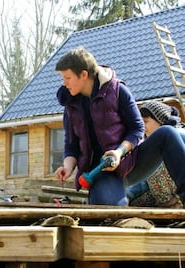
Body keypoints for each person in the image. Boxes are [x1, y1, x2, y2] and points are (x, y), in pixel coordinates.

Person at [54, 47, 185, 206]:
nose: (64, 83)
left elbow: (137, 128)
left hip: (131, 161)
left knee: (168, 133)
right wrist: (67, 167)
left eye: (67, 77)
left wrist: (118, 152)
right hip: (101, 171)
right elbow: (71, 145)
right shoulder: (70, 106)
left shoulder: (117, 90)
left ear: (83, 75)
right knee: (110, 209)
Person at [126, 101, 184, 208]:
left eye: (145, 121)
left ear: (160, 120)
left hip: (177, 195)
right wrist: (128, 195)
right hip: (162, 199)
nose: (142, 126)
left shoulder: (178, 134)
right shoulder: (149, 146)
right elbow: (144, 179)